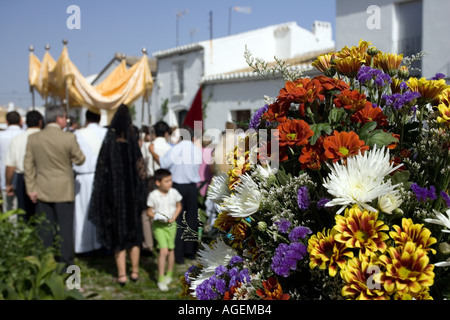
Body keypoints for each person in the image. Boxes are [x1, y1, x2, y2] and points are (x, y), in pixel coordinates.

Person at [88, 104, 147, 286]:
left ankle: (121, 275)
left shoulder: (109, 143)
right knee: (134, 235)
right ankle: (135, 272)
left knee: (118, 236)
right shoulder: (132, 143)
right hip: (131, 196)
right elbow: (142, 172)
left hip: (114, 197)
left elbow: (100, 172)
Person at [24, 105, 85, 270]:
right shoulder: (68, 138)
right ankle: (68, 270)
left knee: (44, 230)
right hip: (64, 189)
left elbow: (28, 166)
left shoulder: (34, 138)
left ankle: (45, 266)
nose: (66, 120)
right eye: (65, 117)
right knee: (65, 231)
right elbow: (80, 159)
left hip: (42, 188)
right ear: (59, 118)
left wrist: (31, 188)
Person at [149, 125, 202, 264]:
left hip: (177, 186)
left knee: (177, 220)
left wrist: (153, 152)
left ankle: (178, 255)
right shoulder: (197, 151)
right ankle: (189, 252)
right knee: (191, 219)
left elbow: (163, 164)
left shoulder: (175, 150)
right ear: (192, 138)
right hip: (192, 187)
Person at [73, 109, 107, 254]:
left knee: (82, 212)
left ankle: (84, 246)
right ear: (99, 119)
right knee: (102, 210)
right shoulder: (106, 133)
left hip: (83, 176)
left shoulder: (78, 134)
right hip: (103, 176)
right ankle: (102, 244)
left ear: (86, 119)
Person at [146, 168, 182, 291]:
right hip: (159, 227)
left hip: (171, 226)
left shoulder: (174, 193)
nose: (169, 183)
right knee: (163, 250)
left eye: (170, 180)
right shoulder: (153, 195)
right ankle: (160, 277)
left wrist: (174, 217)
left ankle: (169, 273)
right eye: (166, 181)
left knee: (171, 249)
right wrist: (156, 216)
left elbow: (179, 205)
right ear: (158, 182)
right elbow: (149, 211)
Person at [5, 110, 43, 221]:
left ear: (26, 122)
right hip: (42, 176)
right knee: (42, 213)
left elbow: (10, 165)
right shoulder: (45, 138)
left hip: (23, 177)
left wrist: (8, 184)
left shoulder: (17, 140)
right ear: (40, 122)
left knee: (23, 212)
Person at [140, 121, 172, 254]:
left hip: (151, 179)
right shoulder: (170, 147)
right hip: (165, 180)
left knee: (148, 212)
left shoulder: (147, 145)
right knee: (165, 209)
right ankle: (164, 241)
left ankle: (148, 243)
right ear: (165, 133)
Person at [0, 110, 23, 213]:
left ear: (6, 122)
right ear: (20, 121)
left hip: (4, 179)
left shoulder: (1, 136)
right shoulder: (24, 134)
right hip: (24, 179)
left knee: (9, 212)